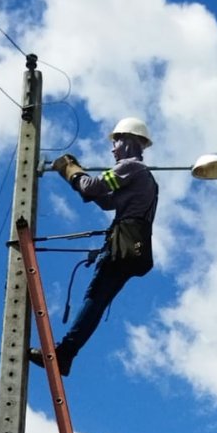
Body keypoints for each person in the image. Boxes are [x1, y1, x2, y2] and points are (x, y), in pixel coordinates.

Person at [29, 117, 159, 376]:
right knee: (96, 302)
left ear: (128, 141)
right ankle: (66, 354)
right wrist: (80, 180)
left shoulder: (130, 167)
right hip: (132, 250)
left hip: (121, 247)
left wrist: (70, 170)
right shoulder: (142, 178)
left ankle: (65, 352)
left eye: (116, 141)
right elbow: (105, 201)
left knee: (94, 299)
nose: (112, 148)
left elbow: (92, 187)